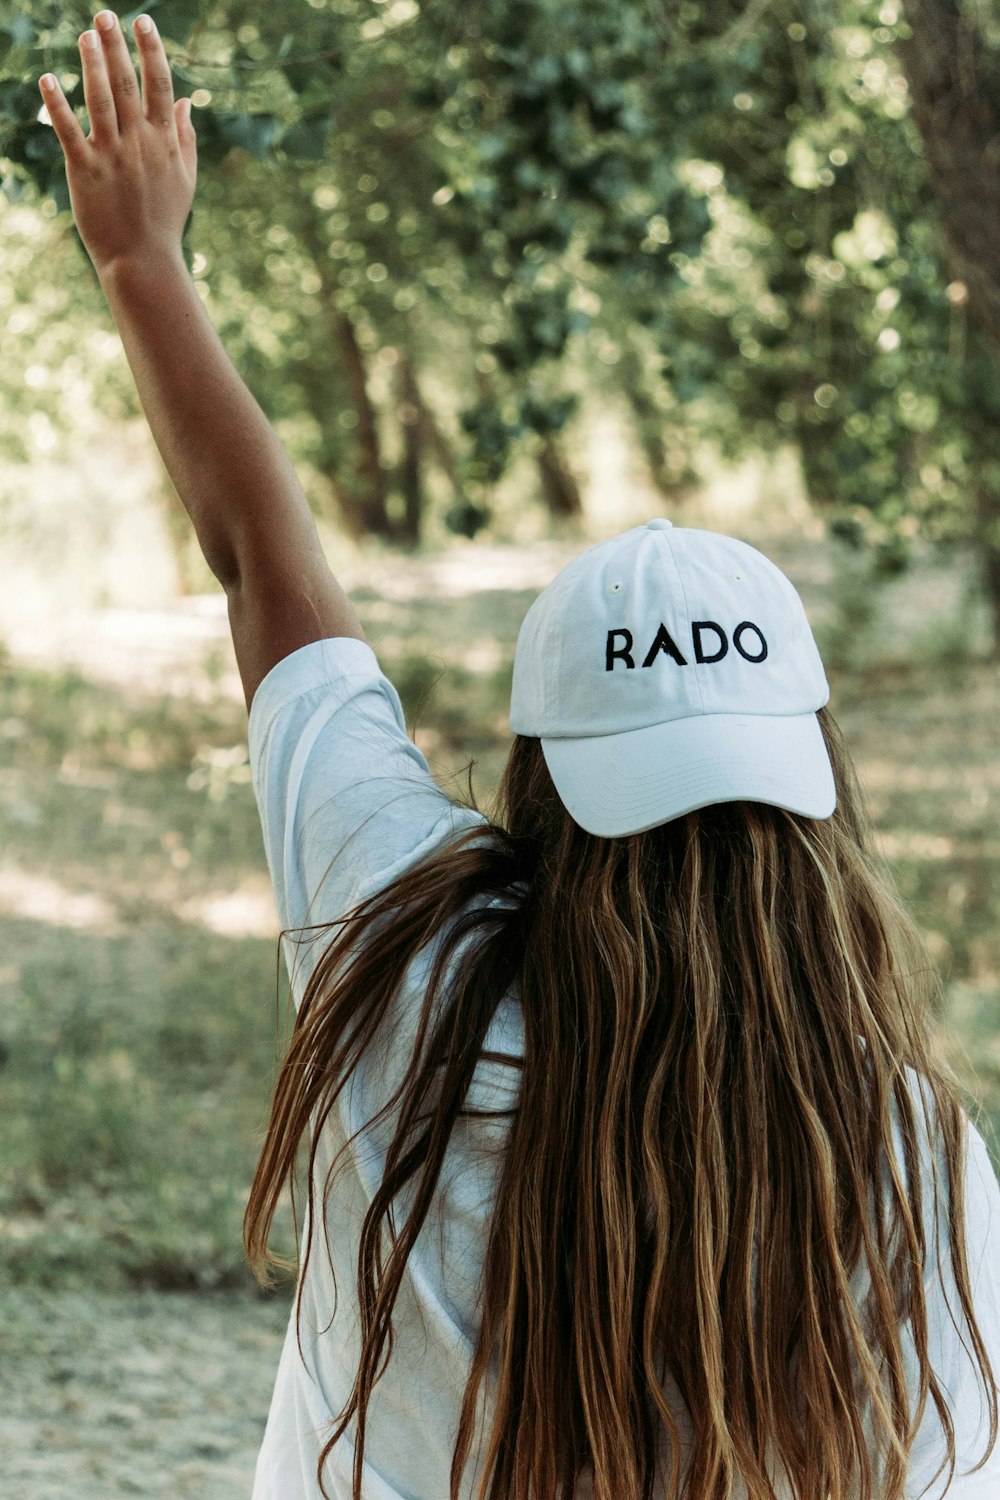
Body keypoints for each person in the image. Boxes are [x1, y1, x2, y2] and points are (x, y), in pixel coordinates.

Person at [38, 15, 1000, 1500]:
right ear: (819, 790)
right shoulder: (909, 1166)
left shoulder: (398, 966)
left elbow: (267, 578)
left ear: (543, 781)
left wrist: (139, 258)